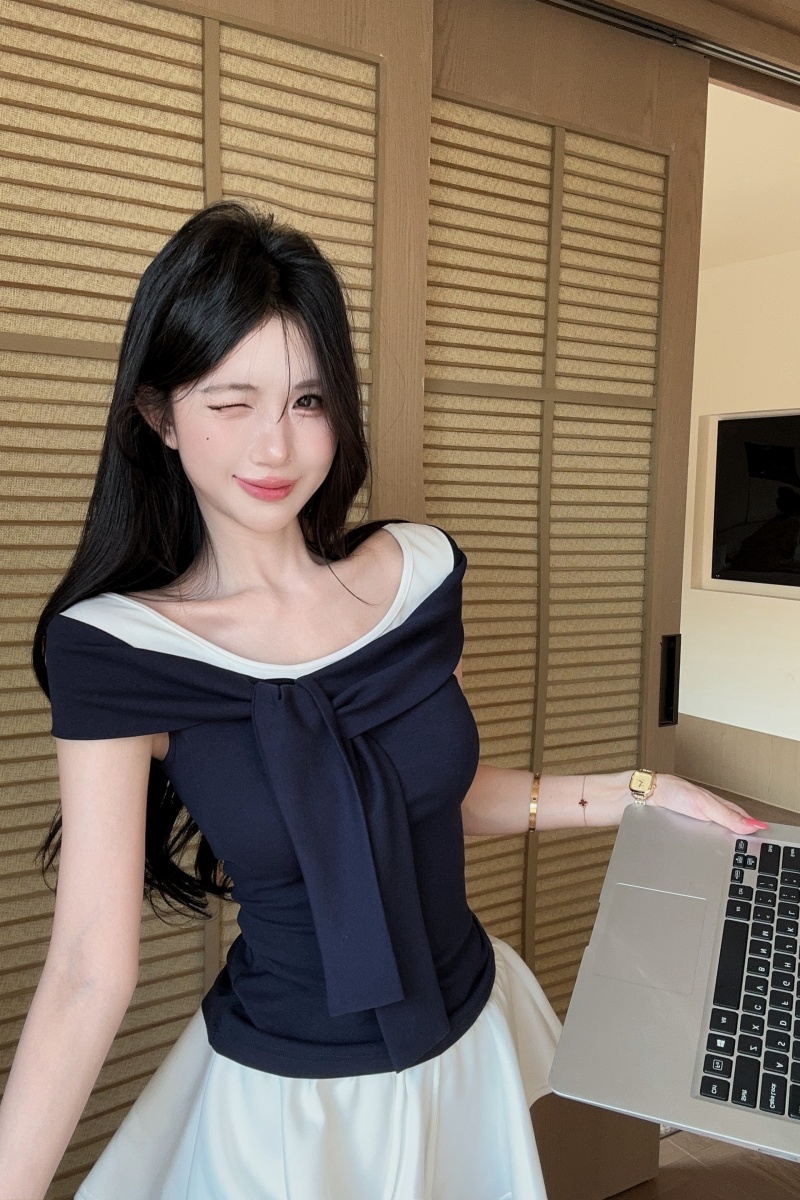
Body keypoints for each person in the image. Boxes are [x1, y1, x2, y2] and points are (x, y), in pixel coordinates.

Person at [0, 200, 767, 1200]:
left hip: (465, 1042)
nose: (275, 448)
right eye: (232, 402)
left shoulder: (416, 576)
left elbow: (433, 797)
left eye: (307, 400)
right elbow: (88, 968)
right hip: (291, 1104)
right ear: (161, 416)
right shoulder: (120, 651)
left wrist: (640, 792)